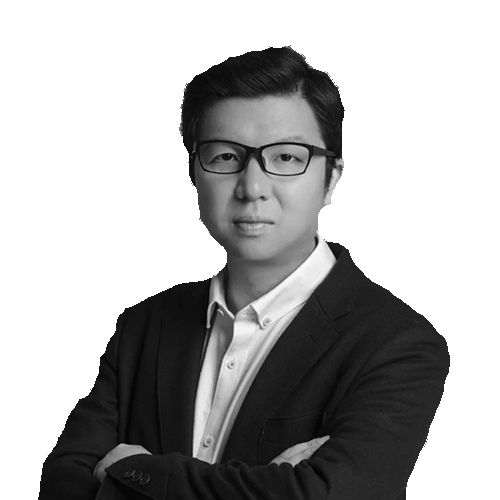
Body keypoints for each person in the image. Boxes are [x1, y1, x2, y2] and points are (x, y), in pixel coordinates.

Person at [40, 46, 449, 500]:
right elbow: (61, 482)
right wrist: (267, 487)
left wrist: (132, 473)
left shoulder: (400, 344)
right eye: (225, 156)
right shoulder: (144, 325)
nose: (252, 188)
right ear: (194, 175)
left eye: (287, 158)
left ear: (332, 178)